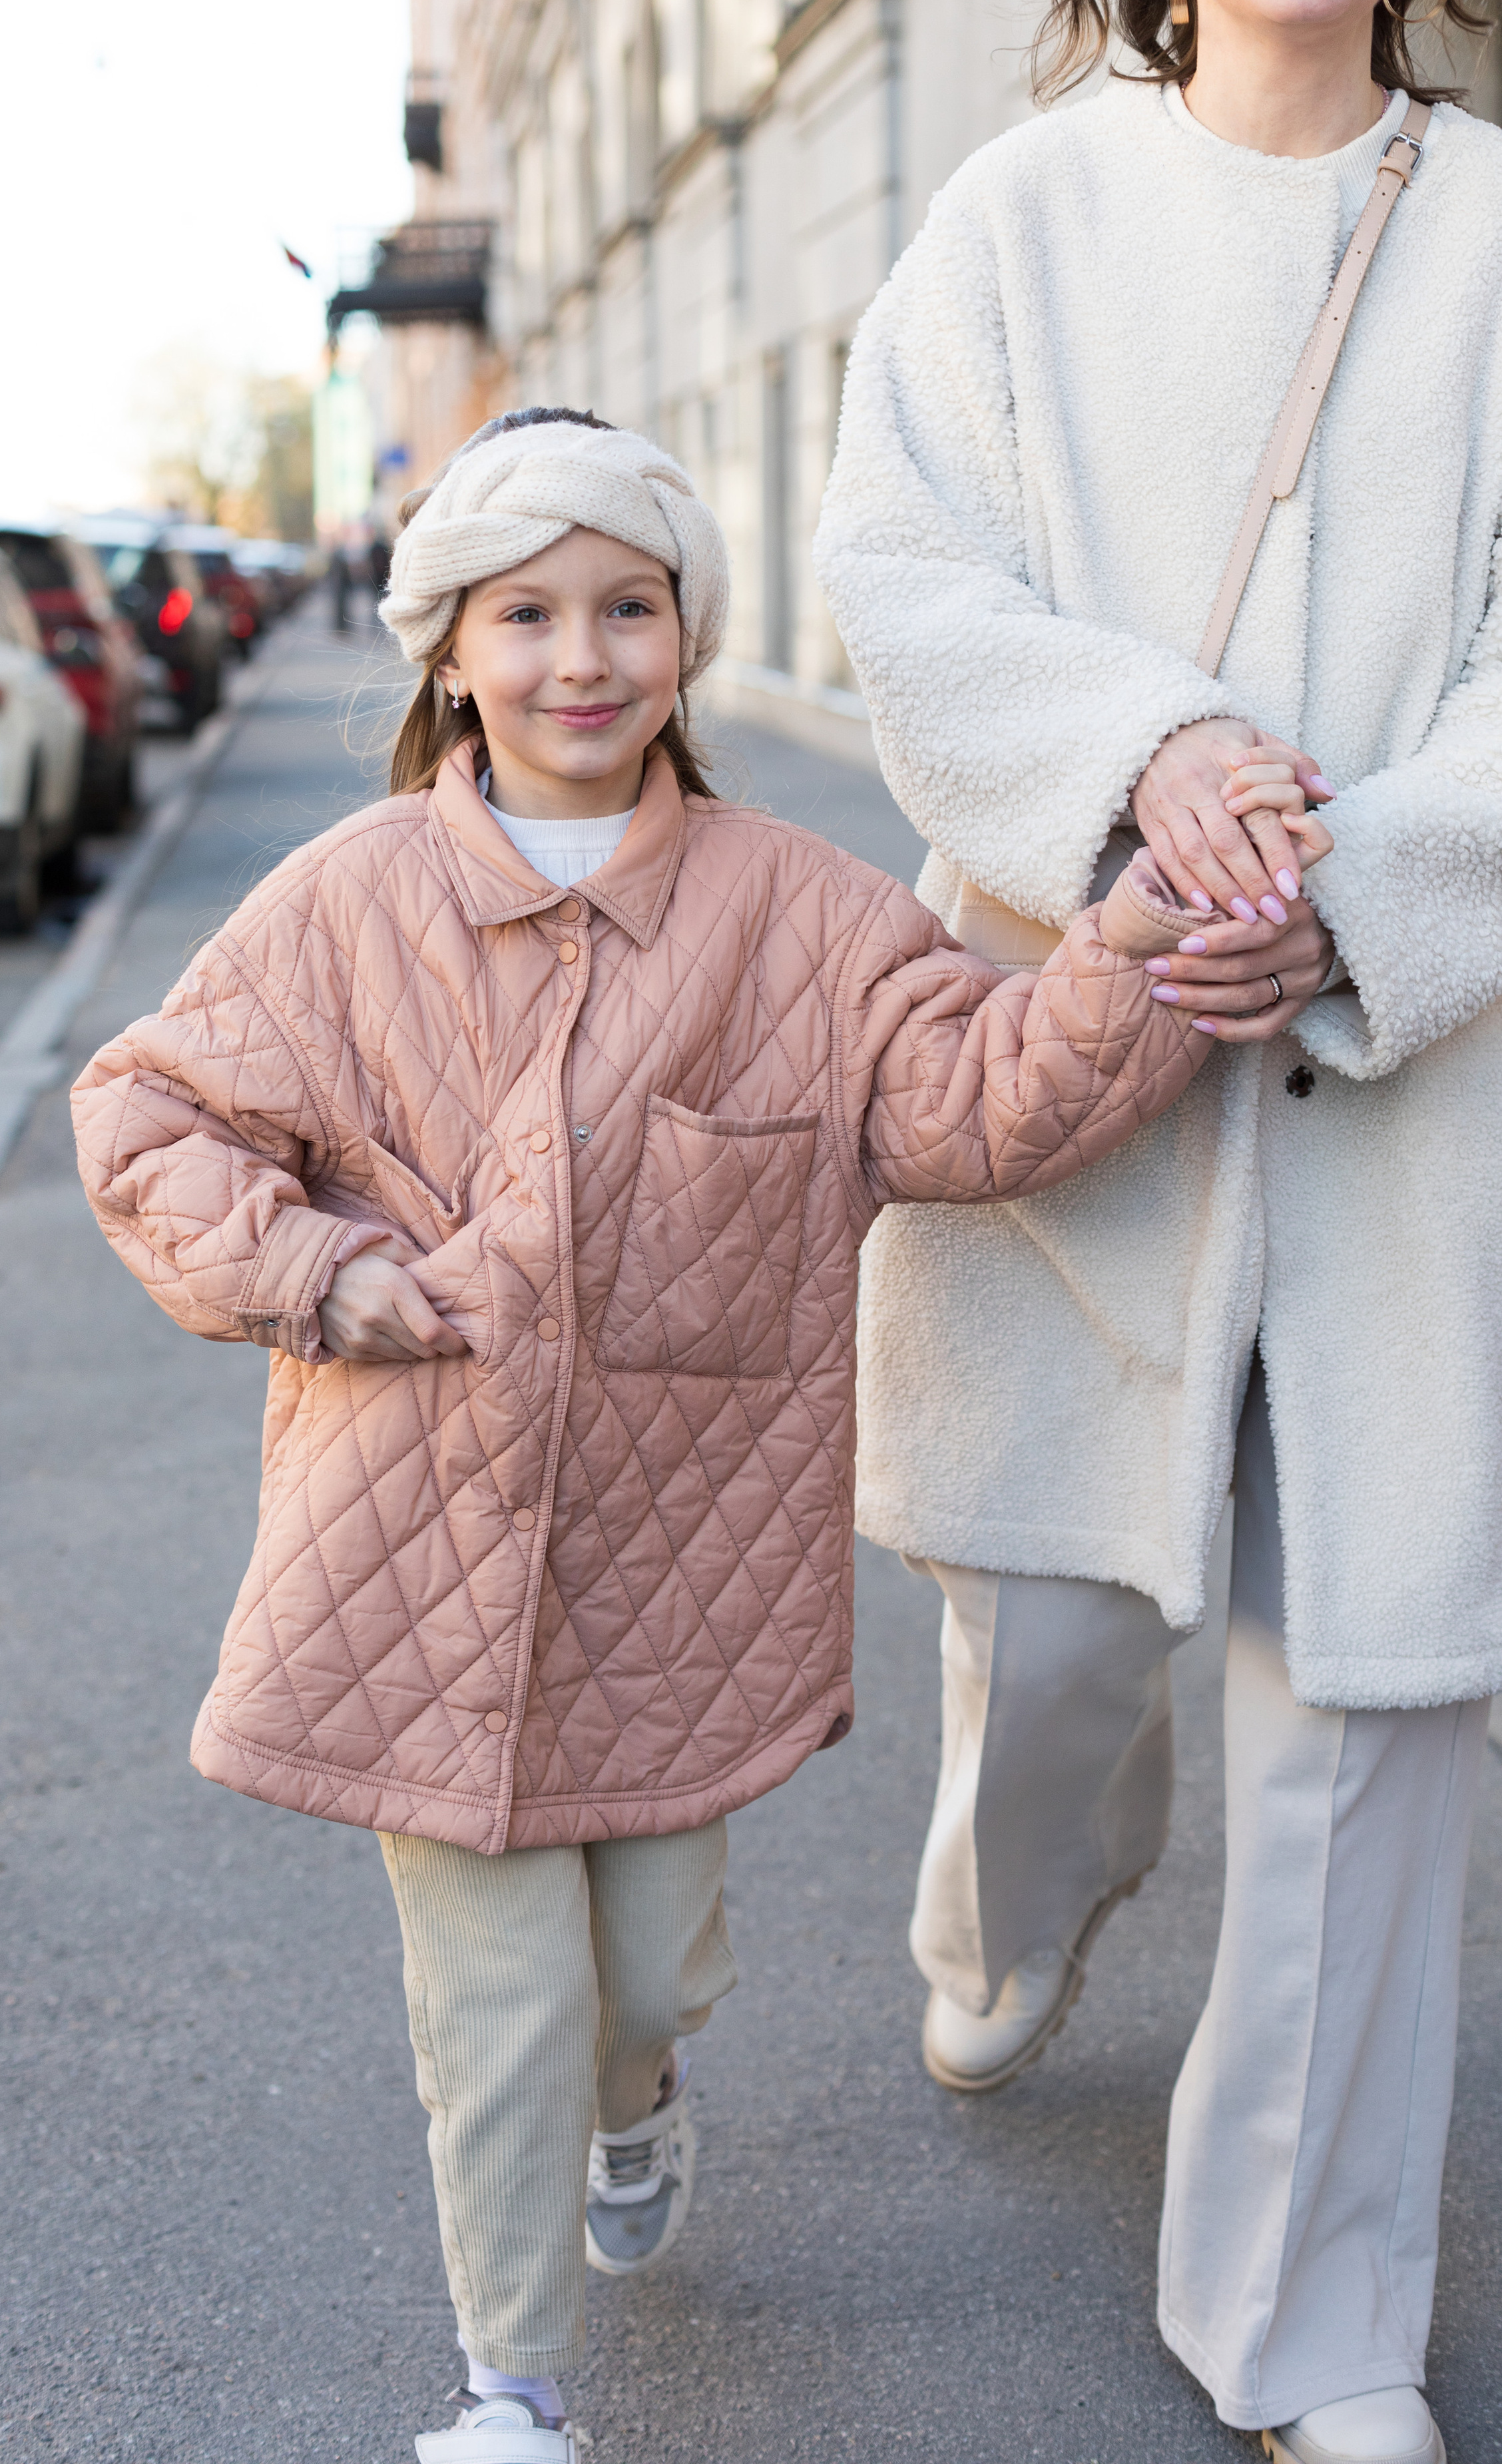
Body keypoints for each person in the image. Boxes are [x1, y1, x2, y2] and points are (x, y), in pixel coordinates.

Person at [69, 406, 1265, 2461]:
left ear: (688, 639)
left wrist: (1130, 960)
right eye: (526, 614)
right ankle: (510, 2386)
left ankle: (644, 2101)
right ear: (453, 649)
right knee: (499, 2006)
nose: (582, 657)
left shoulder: (794, 916)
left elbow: (965, 1106)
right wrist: (313, 1268)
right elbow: (147, 1113)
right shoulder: (343, 904)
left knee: (641, 1976)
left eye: (629, 607)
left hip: (679, 1579)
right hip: (409, 1561)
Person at [814, 0, 1502, 2459]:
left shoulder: (1498, 230)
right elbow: (901, 575)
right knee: (1065, 1623)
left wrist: (1374, 884)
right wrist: (1153, 758)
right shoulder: (1018, 218)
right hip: (1080, 1049)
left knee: (1368, 1704)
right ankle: (1019, 1896)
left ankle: (1317, 2334)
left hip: (1419, 1093)